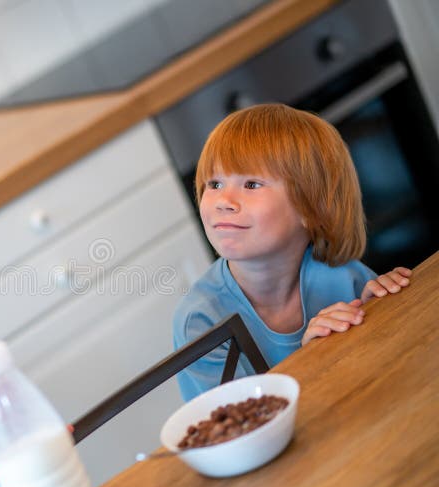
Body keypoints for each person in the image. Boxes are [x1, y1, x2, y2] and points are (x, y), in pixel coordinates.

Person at [173, 103, 412, 402]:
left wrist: (382, 315)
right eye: (215, 183)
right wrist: (311, 362)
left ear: (310, 209)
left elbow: (391, 374)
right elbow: (238, 432)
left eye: (251, 183)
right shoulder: (201, 322)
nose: (224, 201)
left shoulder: (344, 277)